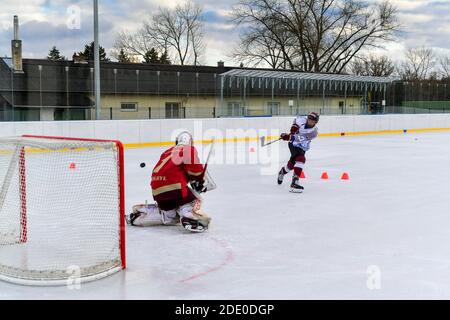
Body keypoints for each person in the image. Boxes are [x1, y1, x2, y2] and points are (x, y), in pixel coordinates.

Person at [127, 131, 211, 232]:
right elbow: (195, 171)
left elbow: (172, 171)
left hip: (157, 190)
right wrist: (200, 180)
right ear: (190, 142)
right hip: (175, 188)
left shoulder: (167, 152)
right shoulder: (188, 149)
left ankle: (140, 215)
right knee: (195, 200)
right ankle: (190, 216)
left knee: (170, 214)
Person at [277, 112, 319, 192]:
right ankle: (295, 182)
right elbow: (296, 122)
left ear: (315, 122)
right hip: (293, 144)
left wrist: (289, 136)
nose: (310, 121)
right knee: (301, 159)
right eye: (309, 119)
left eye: (312, 120)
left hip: (302, 145)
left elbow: (299, 138)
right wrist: (294, 128)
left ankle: (282, 171)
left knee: (292, 164)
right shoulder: (302, 120)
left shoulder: (313, 132)